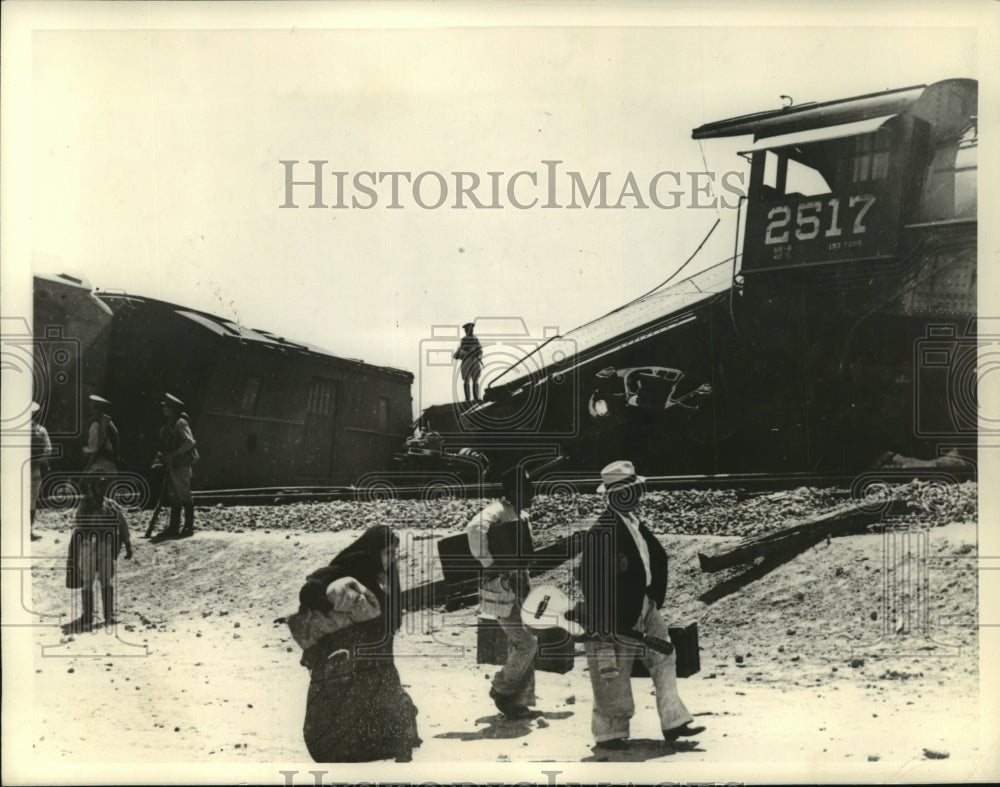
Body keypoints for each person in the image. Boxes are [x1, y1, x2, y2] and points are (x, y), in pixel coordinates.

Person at [577, 459, 705, 749]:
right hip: (617, 611)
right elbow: (590, 578)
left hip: (645, 603)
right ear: (615, 496)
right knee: (614, 670)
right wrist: (604, 618)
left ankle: (674, 720)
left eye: (638, 489)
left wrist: (654, 598)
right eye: (633, 490)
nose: (639, 495)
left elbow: (655, 559)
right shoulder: (602, 531)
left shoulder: (633, 524)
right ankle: (609, 732)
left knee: (665, 655)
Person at [291, 525, 420, 763]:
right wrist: (333, 599)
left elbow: (393, 623)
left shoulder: (386, 576)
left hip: (375, 654)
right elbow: (309, 592)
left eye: (394, 553)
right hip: (343, 656)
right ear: (373, 551)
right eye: (388, 552)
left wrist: (390, 593)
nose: (392, 559)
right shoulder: (346, 569)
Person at [466, 465, 538, 719]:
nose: (531, 493)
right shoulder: (496, 511)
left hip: (519, 583)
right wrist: (489, 563)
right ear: (512, 490)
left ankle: (519, 702)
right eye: (526, 488)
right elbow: (475, 529)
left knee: (521, 640)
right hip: (504, 586)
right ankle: (502, 688)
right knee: (526, 642)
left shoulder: (519, 514)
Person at [64, 471, 133, 633]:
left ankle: (108, 615)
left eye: (104, 485)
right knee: (87, 580)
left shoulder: (111, 505)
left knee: (105, 579)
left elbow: (123, 525)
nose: (101, 488)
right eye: (99, 485)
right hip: (88, 545)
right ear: (92, 487)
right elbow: (79, 524)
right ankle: (87, 615)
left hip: (106, 545)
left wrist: (128, 544)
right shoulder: (84, 505)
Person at [152, 393, 199, 540]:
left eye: (166, 406)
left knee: (184, 494)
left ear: (172, 409)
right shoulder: (169, 424)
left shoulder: (180, 423)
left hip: (181, 464)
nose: (164, 409)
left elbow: (190, 442)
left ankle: (189, 526)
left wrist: (174, 454)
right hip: (173, 465)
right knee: (174, 497)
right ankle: (173, 527)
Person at [30, 401, 52, 541]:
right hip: (34, 469)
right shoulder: (40, 430)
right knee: (31, 501)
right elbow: (48, 450)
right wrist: (38, 461)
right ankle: (28, 531)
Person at [82, 394, 119, 473]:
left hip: (100, 461)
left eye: (93, 406)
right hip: (107, 460)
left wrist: (86, 451)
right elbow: (115, 435)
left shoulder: (96, 424)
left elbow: (93, 448)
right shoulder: (106, 421)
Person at [452, 321, 484, 404]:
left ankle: (476, 398)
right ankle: (467, 399)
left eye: (471, 328)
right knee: (466, 380)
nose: (471, 330)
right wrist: (465, 353)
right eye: (469, 329)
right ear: (466, 330)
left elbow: (480, 350)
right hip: (467, 361)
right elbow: (457, 353)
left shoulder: (475, 339)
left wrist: (477, 352)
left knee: (475, 380)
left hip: (475, 360)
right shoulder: (463, 340)